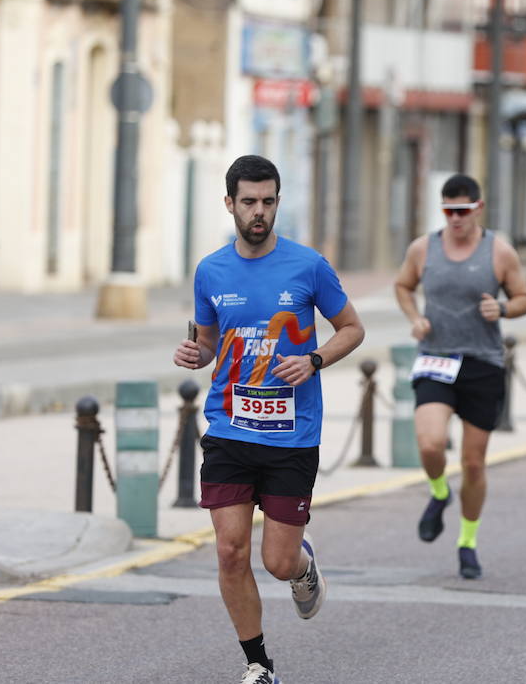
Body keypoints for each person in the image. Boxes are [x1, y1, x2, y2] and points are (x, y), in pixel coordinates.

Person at [174, 155, 366, 684]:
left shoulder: (308, 266)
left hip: (292, 435)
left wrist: (316, 359)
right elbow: (210, 341)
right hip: (230, 428)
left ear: (278, 201)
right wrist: (196, 354)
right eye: (249, 202)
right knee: (230, 551)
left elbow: (352, 327)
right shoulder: (210, 270)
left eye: (268, 201)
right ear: (230, 203)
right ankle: (258, 663)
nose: (259, 212)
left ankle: (302, 566)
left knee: (276, 562)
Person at [394, 174, 526, 579]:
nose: (455, 219)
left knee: (474, 464)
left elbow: (524, 297)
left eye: (462, 211)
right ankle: (439, 493)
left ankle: (467, 542)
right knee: (430, 442)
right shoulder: (424, 248)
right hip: (436, 358)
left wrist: (503, 310)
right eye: (448, 211)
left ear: (478, 208)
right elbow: (402, 285)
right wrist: (415, 317)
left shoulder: (499, 252)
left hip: (482, 363)